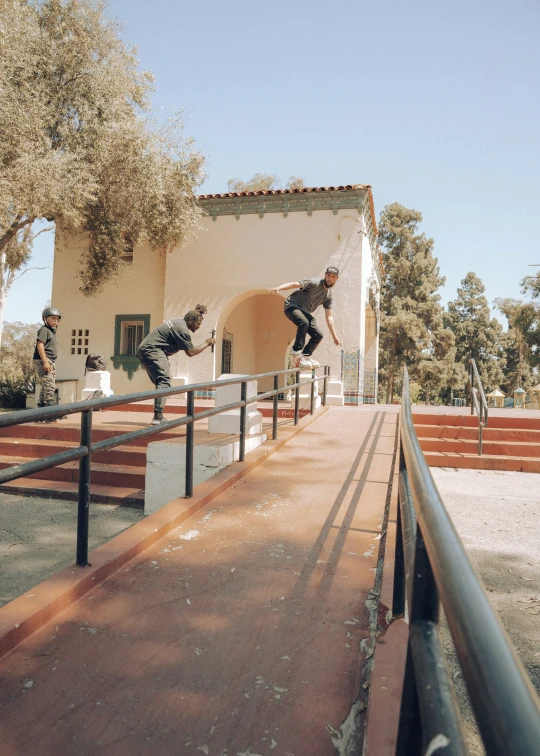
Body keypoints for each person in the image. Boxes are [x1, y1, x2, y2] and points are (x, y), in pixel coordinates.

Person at [136, 304, 216, 425]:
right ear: (191, 320)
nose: (199, 327)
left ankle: (158, 414)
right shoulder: (182, 330)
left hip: (147, 350)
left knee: (162, 383)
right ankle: (158, 416)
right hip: (152, 350)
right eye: (198, 324)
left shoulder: (178, 322)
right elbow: (191, 352)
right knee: (164, 382)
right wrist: (207, 343)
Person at [269, 266, 342, 368]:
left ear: (336, 278)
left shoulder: (328, 296)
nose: (330, 279)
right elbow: (294, 284)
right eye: (328, 275)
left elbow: (329, 316)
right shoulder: (313, 282)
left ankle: (306, 357)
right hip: (292, 306)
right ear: (325, 275)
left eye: (333, 277)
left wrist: (334, 336)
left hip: (305, 311)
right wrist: (278, 288)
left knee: (318, 334)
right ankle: (296, 354)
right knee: (304, 323)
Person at [33, 307, 61, 423]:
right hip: (43, 360)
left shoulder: (52, 331)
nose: (56, 321)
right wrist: (45, 361)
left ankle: (40, 416)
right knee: (49, 387)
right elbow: (40, 345)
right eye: (53, 318)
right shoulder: (44, 330)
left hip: (50, 361)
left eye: (57, 319)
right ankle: (50, 416)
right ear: (45, 319)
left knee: (45, 387)